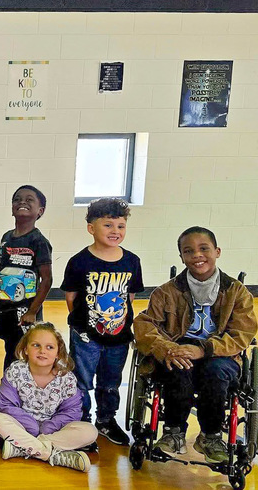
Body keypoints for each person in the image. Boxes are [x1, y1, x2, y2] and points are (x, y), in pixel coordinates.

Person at [133, 227, 256, 464]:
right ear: (181, 257)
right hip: (177, 349)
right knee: (178, 367)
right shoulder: (165, 292)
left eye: (204, 248)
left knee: (215, 372)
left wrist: (204, 350)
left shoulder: (237, 293)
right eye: (188, 251)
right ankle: (173, 433)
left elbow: (242, 334)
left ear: (217, 251)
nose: (197, 255)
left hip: (219, 353)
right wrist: (165, 349)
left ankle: (211, 436)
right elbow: (145, 325)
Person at [60, 198, 143, 446]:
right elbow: (71, 297)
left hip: (118, 337)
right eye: (108, 225)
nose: (115, 231)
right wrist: (83, 325)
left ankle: (106, 420)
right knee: (82, 381)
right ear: (91, 228)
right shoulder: (79, 261)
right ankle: (82, 421)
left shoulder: (132, 261)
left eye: (121, 226)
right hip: (86, 336)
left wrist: (117, 321)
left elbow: (129, 297)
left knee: (111, 382)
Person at [0, 322, 97, 473]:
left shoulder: (67, 378)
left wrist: (48, 428)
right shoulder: (15, 371)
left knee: (90, 432)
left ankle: (22, 448)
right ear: (25, 349)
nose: (42, 351)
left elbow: (71, 412)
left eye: (49, 347)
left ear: (58, 353)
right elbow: (6, 405)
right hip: (22, 427)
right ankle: (55, 456)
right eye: (36, 345)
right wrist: (31, 426)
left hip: (53, 430)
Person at [0, 185, 52, 415]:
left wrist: (33, 311)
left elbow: (47, 279)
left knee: (21, 354)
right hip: (6, 308)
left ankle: (17, 397)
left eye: (29, 199)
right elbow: (2, 273)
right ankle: (6, 393)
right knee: (9, 350)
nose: (22, 202)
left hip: (25, 311)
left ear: (40, 210)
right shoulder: (6, 238)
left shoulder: (39, 241)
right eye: (17, 199)